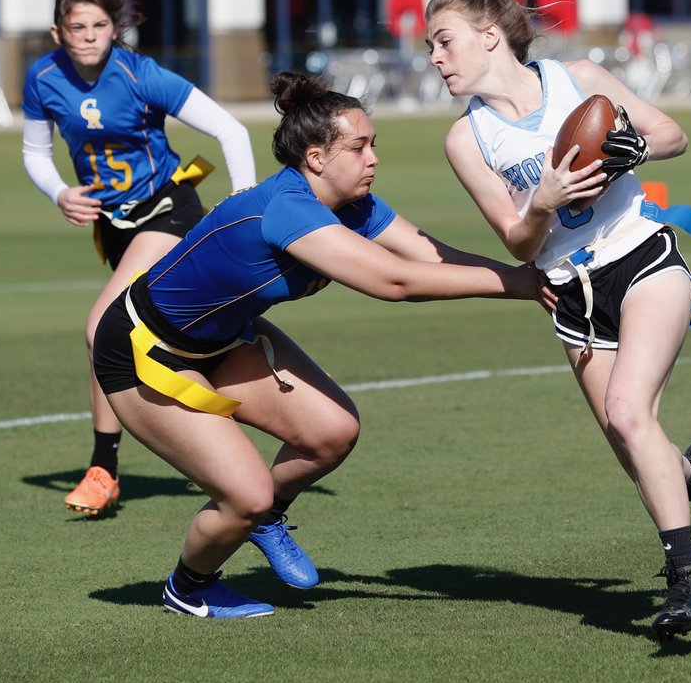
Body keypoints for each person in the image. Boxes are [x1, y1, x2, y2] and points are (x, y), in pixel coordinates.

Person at [92, 71, 548, 617]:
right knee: (248, 493)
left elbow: (430, 255)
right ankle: (188, 585)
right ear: (315, 158)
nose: (373, 157)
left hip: (224, 338)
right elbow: (392, 282)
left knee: (333, 433)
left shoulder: (353, 203)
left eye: (373, 144)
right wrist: (519, 286)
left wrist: (534, 272)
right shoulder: (287, 207)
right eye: (358, 147)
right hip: (144, 351)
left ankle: (263, 519)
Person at [424, 0, 691, 641]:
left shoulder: (577, 78)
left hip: (640, 255)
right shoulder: (468, 140)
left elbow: (672, 135)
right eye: (431, 46)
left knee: (632, 414)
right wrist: (541, 199)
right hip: (571, 292)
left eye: (443, 40)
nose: (434, 57)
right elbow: (516, 240)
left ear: (489, 36)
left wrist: (636, 145)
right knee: (633, 446)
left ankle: (687, 582)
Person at [21, 0, 258, 517]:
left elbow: (232, 131)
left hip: (167, 211)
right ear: (57, 32)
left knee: (99, 326)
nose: (88, 36)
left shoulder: (140, 73)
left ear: (114, 28)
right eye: (76, 27)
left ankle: (103, 469)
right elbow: (35, 153)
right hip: (117, 226)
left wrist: (242, 208)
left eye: (99, 25)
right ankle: (236, 371)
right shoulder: (42, 77)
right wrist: (59, 191)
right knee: (157, 334)